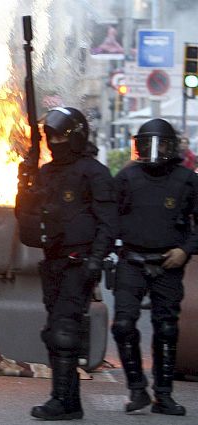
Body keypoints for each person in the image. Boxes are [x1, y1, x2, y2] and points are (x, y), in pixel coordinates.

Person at [15, 107, 117, 421]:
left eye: (60, 136)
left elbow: (108, 222)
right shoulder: (46, 173)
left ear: (76, 137)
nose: (55, 142)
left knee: (64, 330)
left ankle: (60, 401)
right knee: (54, 333)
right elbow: (27, 216)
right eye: (51, 136)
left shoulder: (94, 173)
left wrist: (96, 259)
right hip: (54, 261)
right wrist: (24, 182)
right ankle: (70, 402)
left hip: (80, 262)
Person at [111, 118, 196, 416]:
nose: (154, 152)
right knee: (123, 325)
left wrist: (185, 250)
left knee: (167, 328)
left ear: (172, 147)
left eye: (160, 146)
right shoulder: (126, 177)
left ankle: (164, 395)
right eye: (147, 145)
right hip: (131, 260)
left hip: (168, 261)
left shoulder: (187, 180)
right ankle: (137, 388)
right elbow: (109, 218)